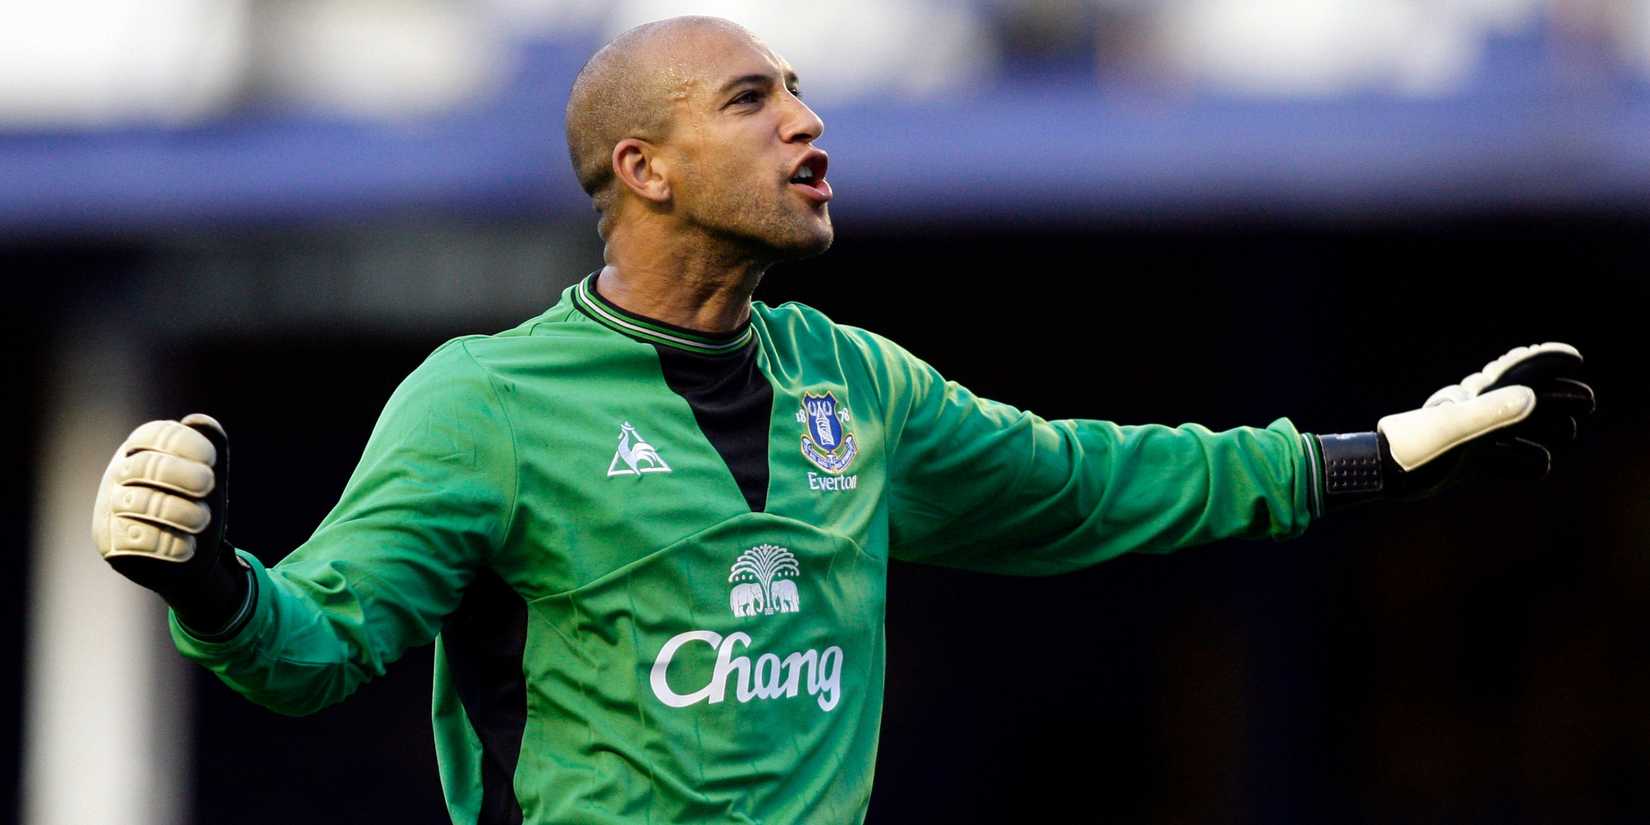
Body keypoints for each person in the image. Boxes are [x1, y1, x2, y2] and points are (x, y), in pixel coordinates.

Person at [89, 16, 1595, 825]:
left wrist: (1370, 459)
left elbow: (1083, 482)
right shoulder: (485, 403)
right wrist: (203, 575)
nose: (806, 120)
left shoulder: (855, 384)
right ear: (644, 169)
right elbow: (319, 645)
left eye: (800, 90)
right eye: (751, 100)